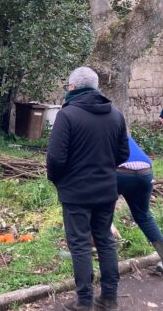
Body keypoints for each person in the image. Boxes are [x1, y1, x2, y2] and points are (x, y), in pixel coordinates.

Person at [47, 67, 129, 311]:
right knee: (105, 241)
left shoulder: (68, 114)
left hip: (76, 193)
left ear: (73, 87)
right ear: (94, 87)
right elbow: (124, 153)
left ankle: (84, 302)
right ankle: (109, 298)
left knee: (80, 244)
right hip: (106, 191)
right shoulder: (115, 114)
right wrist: (104, 168)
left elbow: (56, 158)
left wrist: (57, 180)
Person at [117, 135, 163, 277]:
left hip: (120, 173)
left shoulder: (97, 132)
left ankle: (103, 258)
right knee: (144, 216)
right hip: (145, 171)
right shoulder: (117, 126)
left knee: (102, 214)